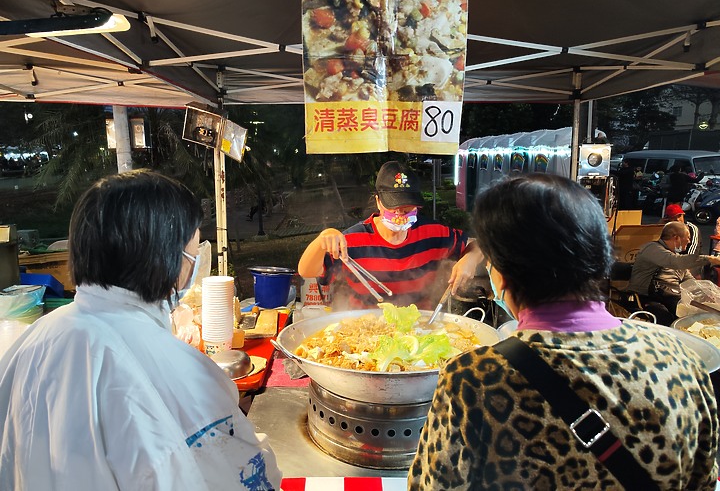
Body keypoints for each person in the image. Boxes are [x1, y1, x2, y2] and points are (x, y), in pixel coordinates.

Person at [409, 174, 718, 490]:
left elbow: (433, 485)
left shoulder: (474, 379)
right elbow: (704, 482)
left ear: (499, 276)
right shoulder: (684, 363)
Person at [0, 170, 281, 491]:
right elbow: (242, 476)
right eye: (192, 251)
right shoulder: (176, 374)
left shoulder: (32, 340)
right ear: (167, 261)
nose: (194, 263)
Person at [297, 160, 483, 310]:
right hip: (362, 331)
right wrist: (322, 239)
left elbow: (482, 244)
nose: (400, 214)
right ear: (378, 201)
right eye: (393, 206)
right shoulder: (351, 241)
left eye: (407, 207)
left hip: (420, 327)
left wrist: (471, 257)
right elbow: (306, 271)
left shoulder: (433, 234)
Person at [626, 221, 720, 325]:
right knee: (666, 317)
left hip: (670, 297)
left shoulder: (677, 259)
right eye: (687, 237)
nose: (689, 241)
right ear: (676, 238)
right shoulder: (652, 248)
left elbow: (690, 282)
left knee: (697, 316)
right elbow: (674, 261)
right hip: (644, 298)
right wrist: (709, 259)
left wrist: (706, 294)